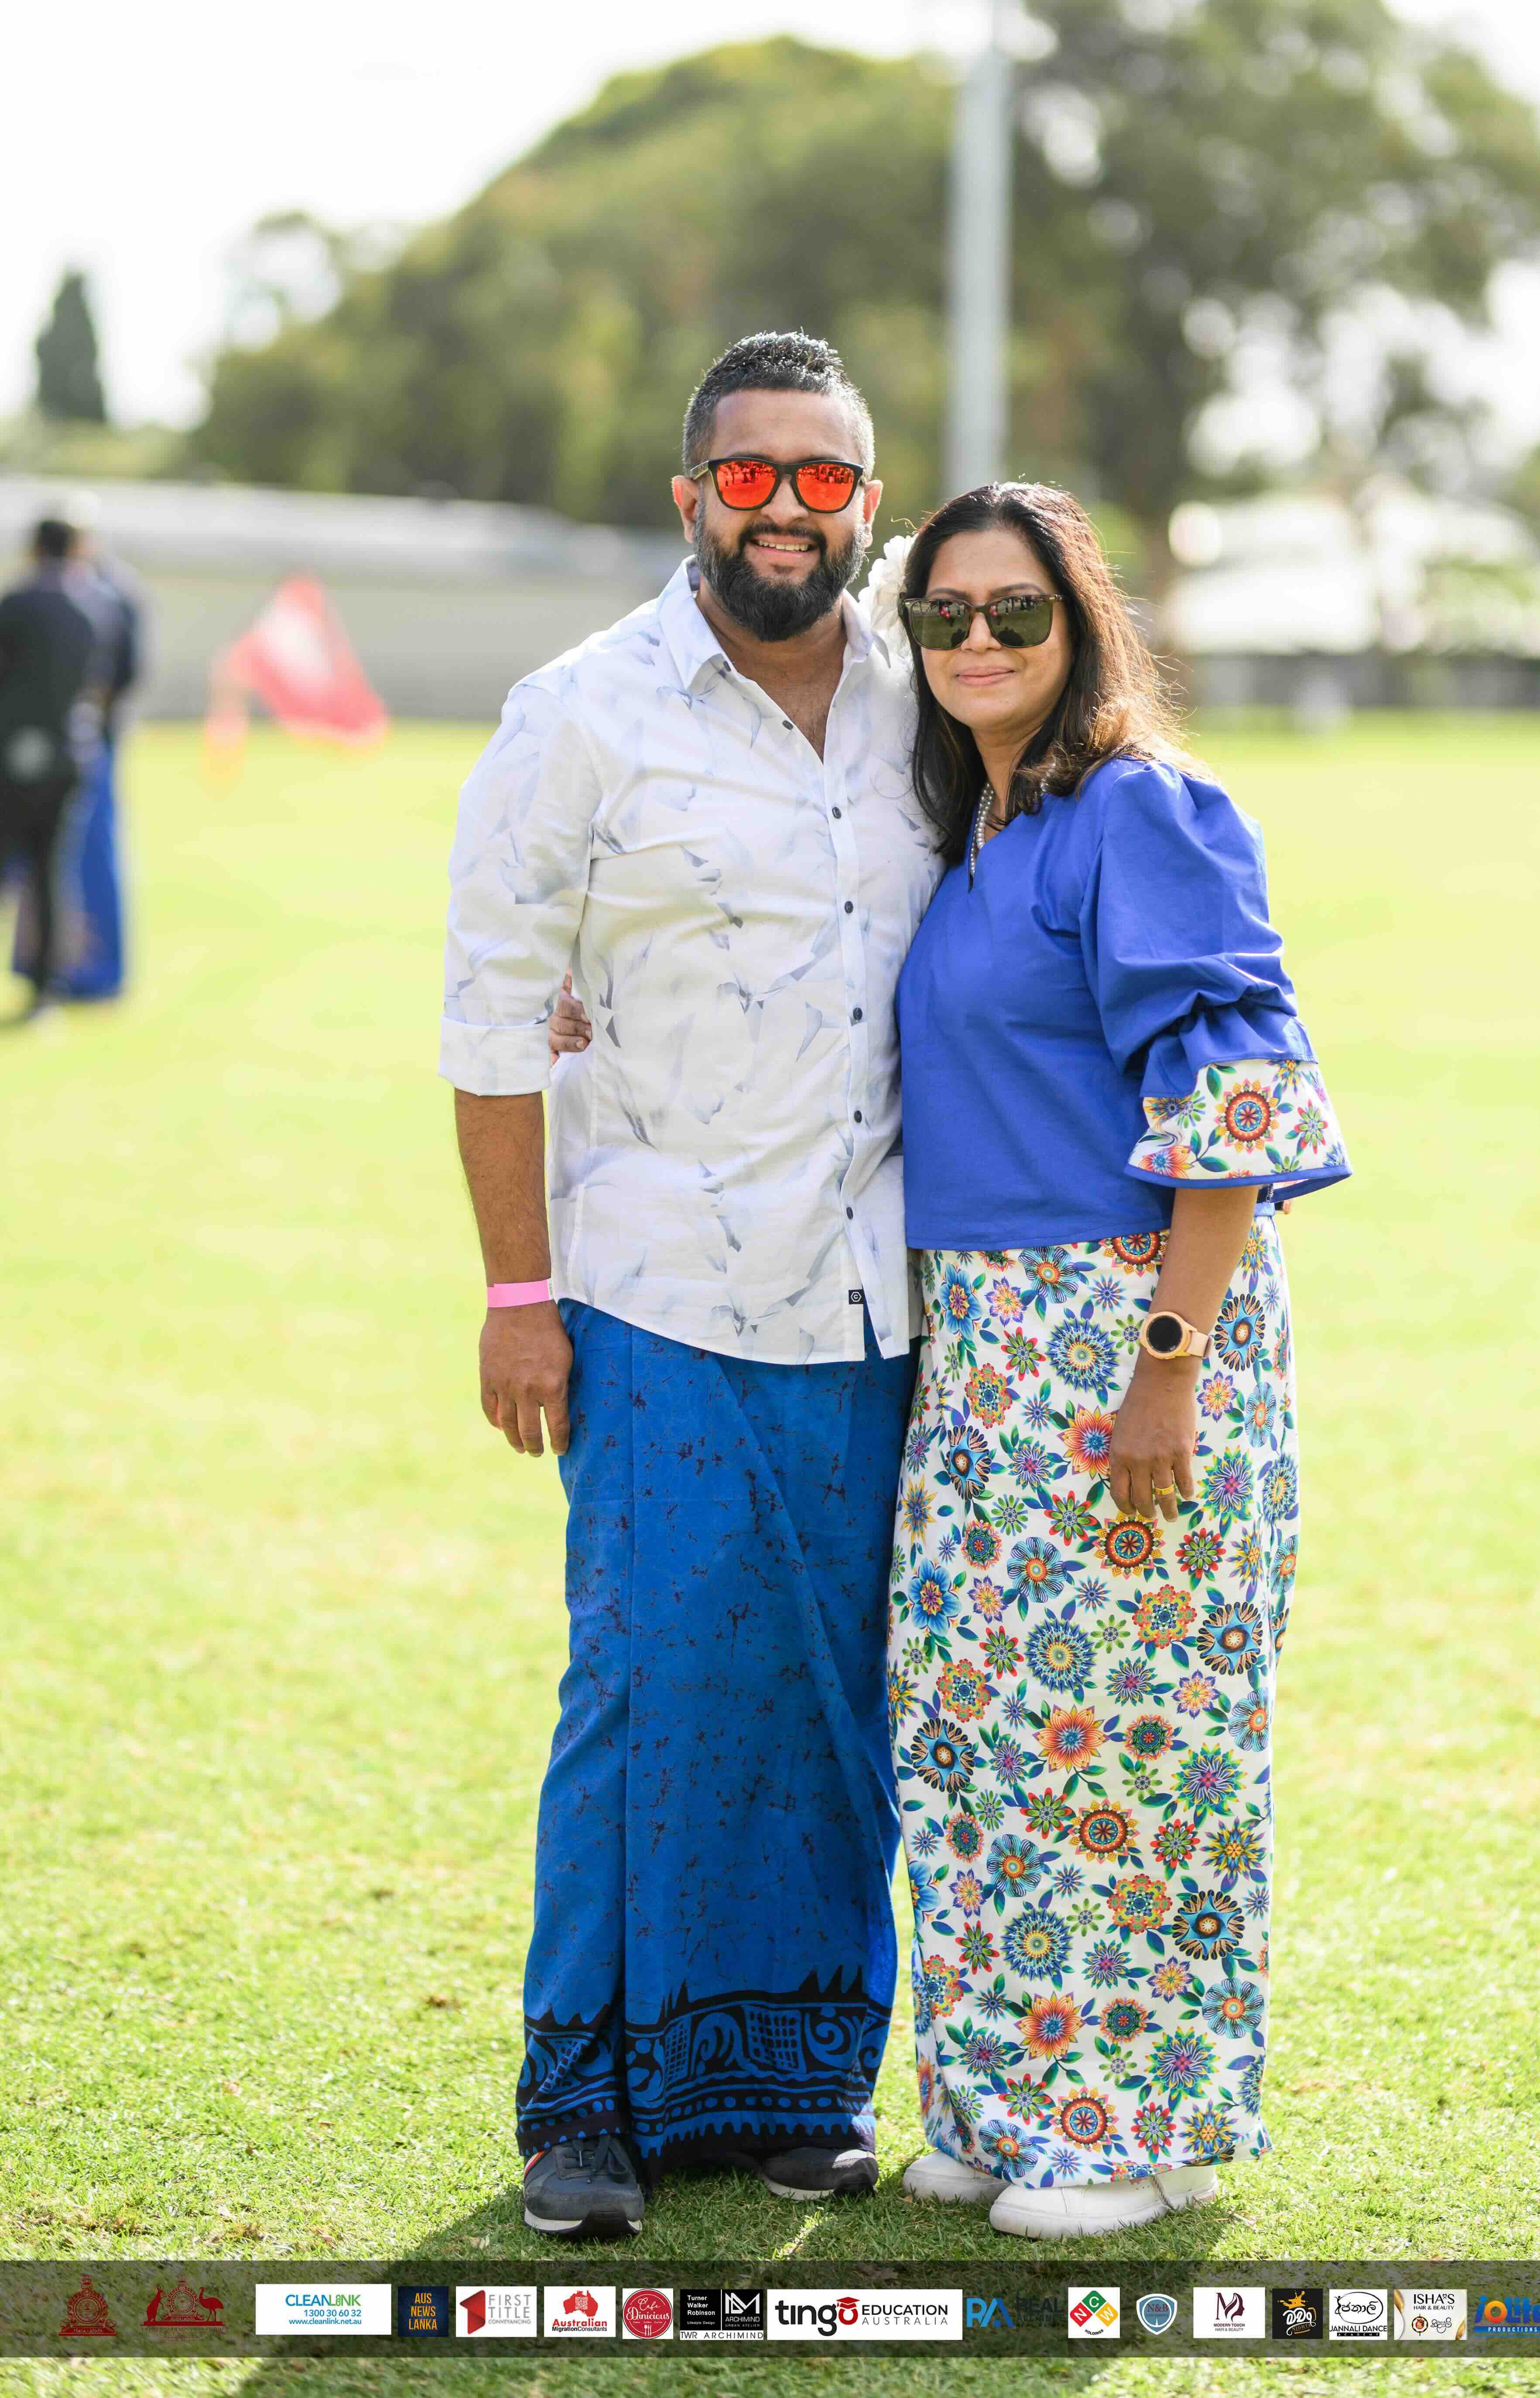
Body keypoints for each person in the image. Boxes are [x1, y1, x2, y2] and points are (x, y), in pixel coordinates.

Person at [440, 332, 942, 2239]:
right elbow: (492, 1017)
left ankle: (793, 2084)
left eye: (822, 478)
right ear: (689, 498)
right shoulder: (576, 712)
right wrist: (516, 1288)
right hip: (651, 1285)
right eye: (749, 476)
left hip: (877, 1300)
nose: (785, 511)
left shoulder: (929, 701)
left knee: (829, 1695)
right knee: (643, 1683)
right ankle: (587, 2104)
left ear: (866, 503)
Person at [881, 482, 1349, 2237]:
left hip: (1126, 1324)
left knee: (1132, 1745)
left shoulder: (1139, 807)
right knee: (979, 1723)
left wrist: (1167, 1362)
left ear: (1079, 627)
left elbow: (1234, 1100)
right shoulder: (974, 831)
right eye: (943, 614)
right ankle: (1003, 2102)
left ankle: (1135, 2134)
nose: (977, 640)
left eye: (1015, 610)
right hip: (981, 1338)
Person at [9, 503, 145, 1002]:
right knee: (52, 868)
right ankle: (46, 978)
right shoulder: (101, 600)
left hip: (47, 750)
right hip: (77, 747)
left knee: (61, 866)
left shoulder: (37, 600)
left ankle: (80, 973)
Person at [0, 517, 96, 1019]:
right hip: (66, 754)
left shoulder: (15, 605)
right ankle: (45, 993)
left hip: (10, 754)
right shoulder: (93, 609)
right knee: (51, 875)